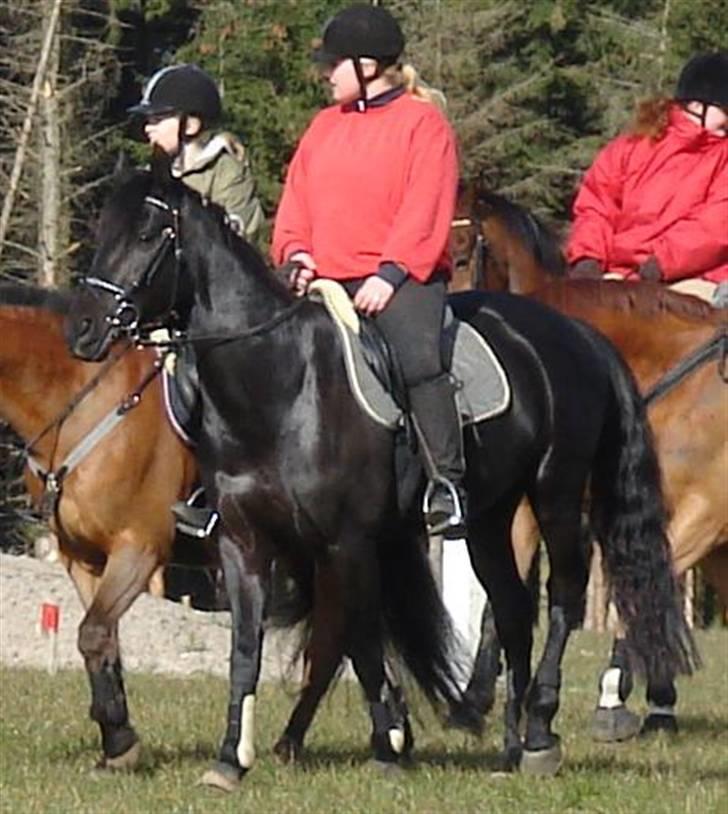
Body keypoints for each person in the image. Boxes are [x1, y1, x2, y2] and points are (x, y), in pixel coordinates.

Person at [271, 3, 466, 538]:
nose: (325, 74)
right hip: (324, 278)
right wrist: (296, 253)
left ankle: (445, 484)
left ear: (369, 66)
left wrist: (392, 273)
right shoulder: (322, 128)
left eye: (334, 65)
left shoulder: (423, 125)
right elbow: (297, 202)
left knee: (417, 358)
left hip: (399, 280)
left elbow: (425, 206)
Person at [566, 51, 728, 306]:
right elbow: (596, 207)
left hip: (690, 279)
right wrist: (588, 260)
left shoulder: (724, 158)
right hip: (615, 277)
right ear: (698, 105)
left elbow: (716, 227)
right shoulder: (628, 148)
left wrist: (659, 264)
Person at [128, 63, 264, 242]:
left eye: (158, 119)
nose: (147, 128)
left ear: (191, 125)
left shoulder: (227, 174)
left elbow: (237, 245)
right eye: (148, 121)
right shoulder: (150, 177)